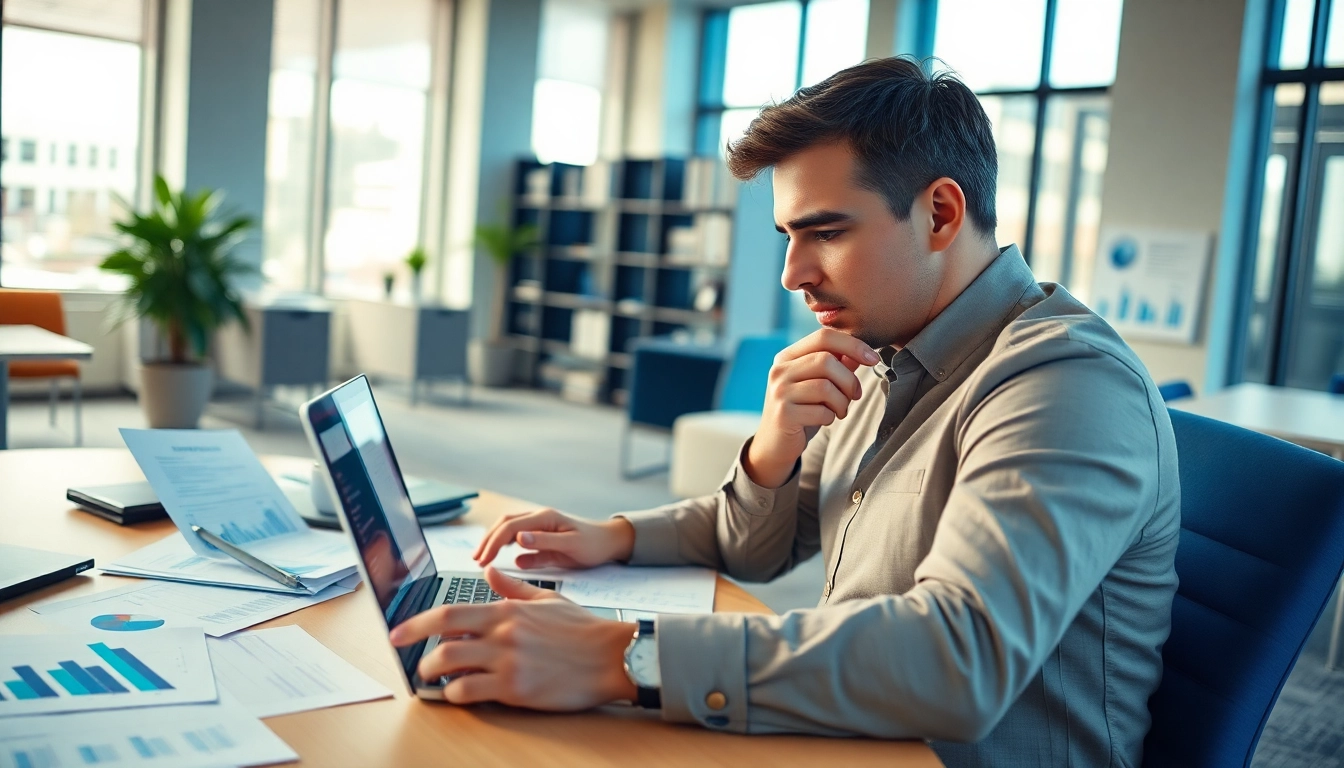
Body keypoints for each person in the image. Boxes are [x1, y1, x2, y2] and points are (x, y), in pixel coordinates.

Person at [390, 56, 1180, 766]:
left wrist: (618, 656)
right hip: (857, 730)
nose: (793, 274)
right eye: (788, 237)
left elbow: (957, 658)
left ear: (940, 213)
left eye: (826, 232)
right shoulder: (886, 350)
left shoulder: (1063, 383)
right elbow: (759, 549)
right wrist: (650, 518)